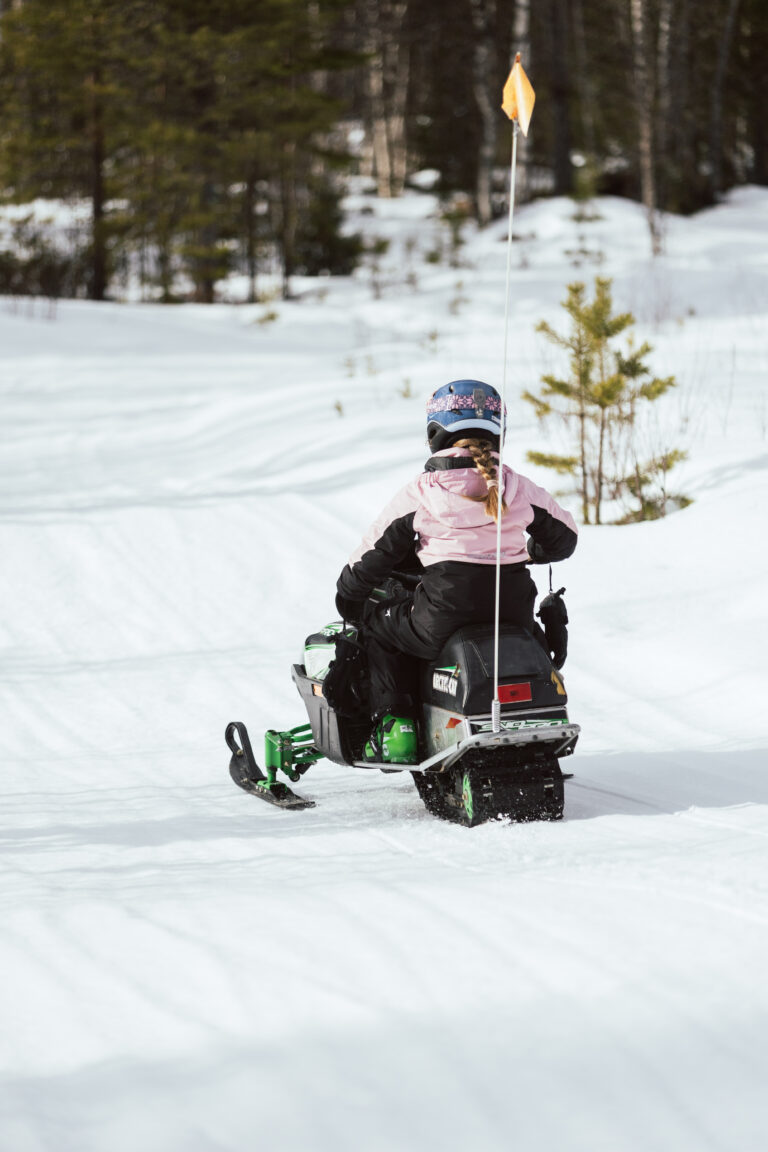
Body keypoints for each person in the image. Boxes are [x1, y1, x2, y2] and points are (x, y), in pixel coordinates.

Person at [335, 379, 578, 765]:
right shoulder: (516, 485)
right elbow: (564, 539)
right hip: (510, 612)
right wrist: (529, 550)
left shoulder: (422, 492)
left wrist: (348, 596)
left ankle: (396, 726)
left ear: (436, 431)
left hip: (443, 617)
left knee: (380, 628)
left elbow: (371, 556)